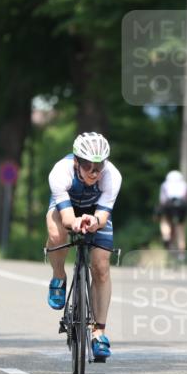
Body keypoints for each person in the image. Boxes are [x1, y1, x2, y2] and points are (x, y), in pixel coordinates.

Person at [46, 132, 121, 361]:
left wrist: (94, 222)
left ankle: (99, 332)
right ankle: (58, 276)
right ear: (77, 161)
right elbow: (68, 218)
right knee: (57, 235)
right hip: (66, 209)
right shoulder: (61, 171)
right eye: (88, 165)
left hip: (96, 213)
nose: (94, 171)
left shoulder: (112, 176)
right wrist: (76, 222)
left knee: (101, 266)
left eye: (99, 165)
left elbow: (103, 216)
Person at [157, 169, 187, 256]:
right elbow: (186, 198)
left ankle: (166, 236)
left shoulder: (165, 185)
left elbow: (162, 200)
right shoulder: (184, 185)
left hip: (169, 204)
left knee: (165, 221)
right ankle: (181, 254)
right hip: (182, 206)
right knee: (181, 229)